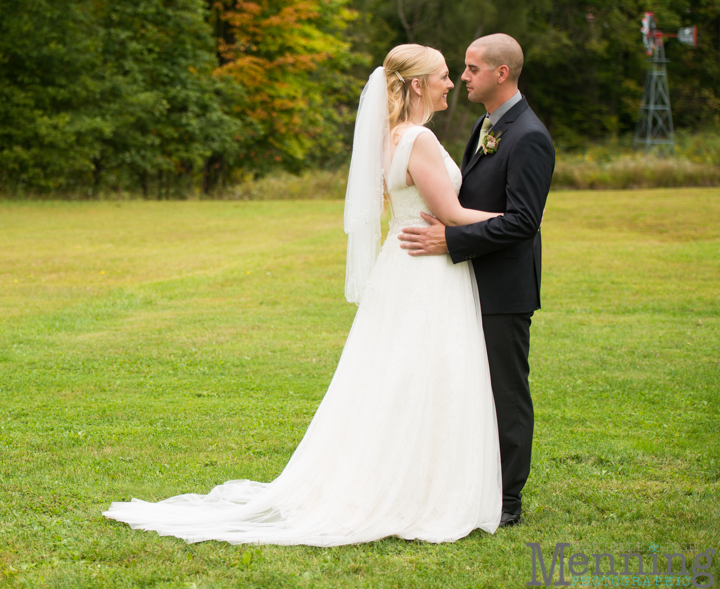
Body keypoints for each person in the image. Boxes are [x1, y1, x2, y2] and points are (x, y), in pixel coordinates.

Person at [103, 44, 504, 546]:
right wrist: (517, 221)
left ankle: (405, 478)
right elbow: (449, 213)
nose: (451, 84)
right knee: (422, 373)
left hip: (402, 267)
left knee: (395, 376)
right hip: (424, 269)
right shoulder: (418, 138)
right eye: (444, 76)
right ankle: (416, 489)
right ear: (419, 84)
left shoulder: (390, 136)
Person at [399, 33, 556, 528]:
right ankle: (471, 482)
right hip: (470, 282)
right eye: (460, 69)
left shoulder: (529, 136)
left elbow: (523, 222)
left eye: (471, 68)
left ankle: (508, 499)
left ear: (501, 73)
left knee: (506, 390)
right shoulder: (486, 126)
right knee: (471, 387)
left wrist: (453, 242)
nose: (463, 77)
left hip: (504, 286)